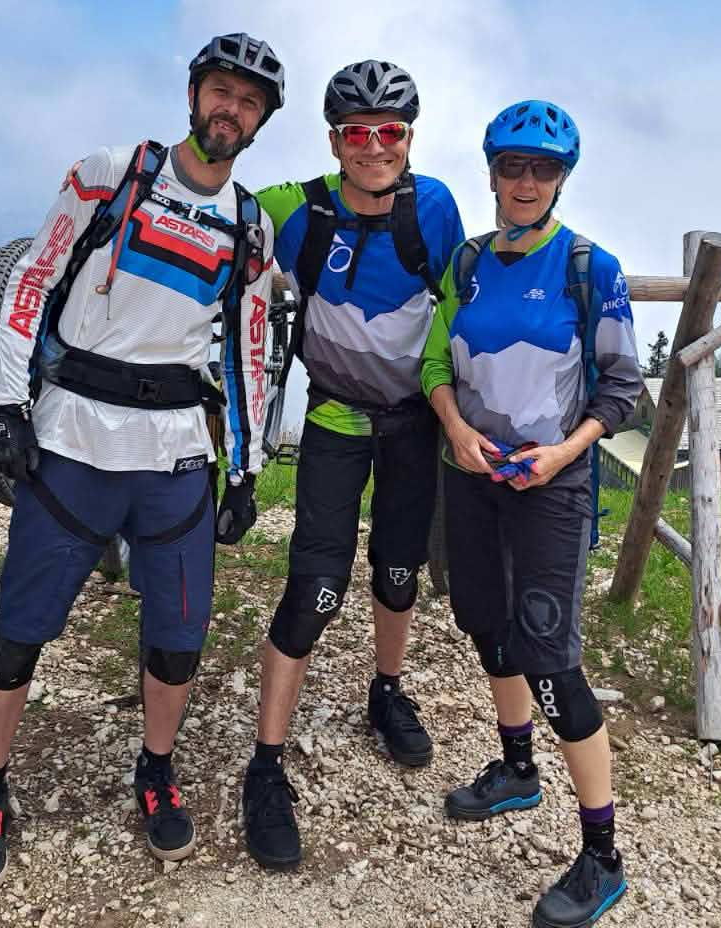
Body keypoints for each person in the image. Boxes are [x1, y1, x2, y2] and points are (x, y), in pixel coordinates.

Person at [0, 33, 282, 896]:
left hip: (175, 453)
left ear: (260, 122)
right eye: (221, 91)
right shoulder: (111, 174)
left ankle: (157, 767)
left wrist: (246, 469)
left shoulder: (251, 226)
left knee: (177, 640)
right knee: (20, 630)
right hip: (74, 440)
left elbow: (249, 351)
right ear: (194, 94)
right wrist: (6, 403)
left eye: (249, 102)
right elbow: (32, 280)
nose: (231, 110)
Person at [421, 100, 643, 927]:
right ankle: (518, 770)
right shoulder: (468, 263)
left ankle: (602, 856)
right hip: (472, 477)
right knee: (486, 624)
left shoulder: (591, 267)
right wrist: (454, 427)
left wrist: (561, 453)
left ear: (561, 179)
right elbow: (435, 362)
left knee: (550, 658)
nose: (525, 181)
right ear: (492, 172)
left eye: (542, 168)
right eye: (511, 165)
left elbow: (622, 388)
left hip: (552, 485)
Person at [240, 60, 465, 871]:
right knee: (315, 588)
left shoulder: (433, 207)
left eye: (390, 131)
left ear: (410, 137)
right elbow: (212, 215)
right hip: (334, 419)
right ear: (334, 141)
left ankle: (386, 690)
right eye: (357, 133)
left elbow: (459, 308)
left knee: (399, 573)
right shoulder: (294, 209)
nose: (375, 147)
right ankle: (266, 765)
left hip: (412, 426)